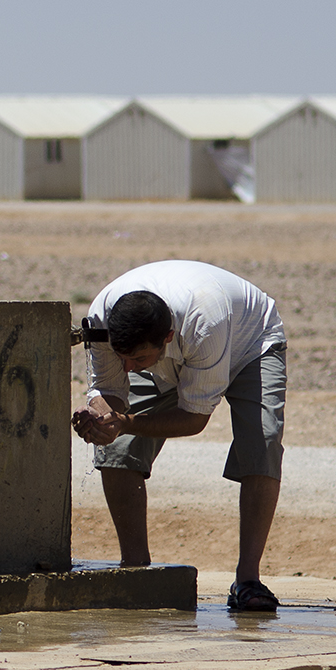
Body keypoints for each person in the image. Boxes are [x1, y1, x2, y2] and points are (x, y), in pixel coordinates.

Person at [70, 260, 287, 613]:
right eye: (122, 358)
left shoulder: (205, 322)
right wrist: (102, 419)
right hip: (175, 345)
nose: (128, 368)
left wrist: (123, 421)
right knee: (118, 450)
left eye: (137, 358)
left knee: (261, 443)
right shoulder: (103, 321)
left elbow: (193, 419)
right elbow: (109, 388)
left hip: (249, 343)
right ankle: (135, 570)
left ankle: (248, 580)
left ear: (167, 338)